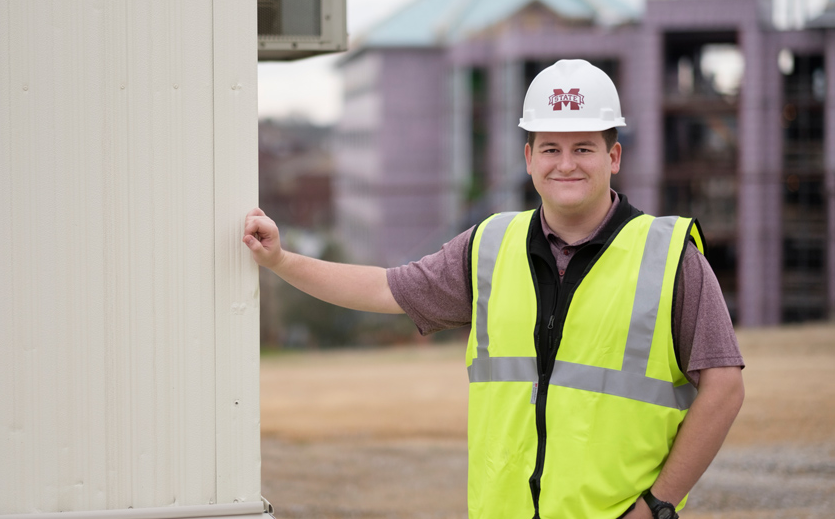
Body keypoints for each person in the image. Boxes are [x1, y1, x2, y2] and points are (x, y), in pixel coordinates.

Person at [244, 59, 745, 519]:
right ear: (529, 159)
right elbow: (382, 289)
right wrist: (281, 261)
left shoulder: (671, 256)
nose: (565, 163)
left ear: (613, 156)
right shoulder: (489, 246)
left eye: (583, 148)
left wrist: (656, 506)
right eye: (550, 148)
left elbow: (723, 389)